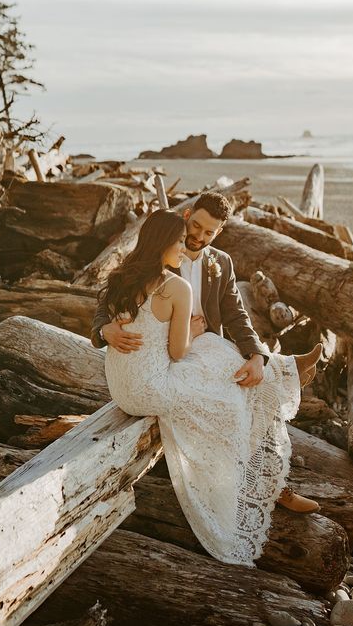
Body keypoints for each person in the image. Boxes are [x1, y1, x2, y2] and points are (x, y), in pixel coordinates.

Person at [92, 206, 322, 568]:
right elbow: (105, 312)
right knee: (230, 393)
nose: (197, 238)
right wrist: (103, 331)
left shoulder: (220, 264)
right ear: (184, 218)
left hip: (177, 353)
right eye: (193, 228)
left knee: (234, 364)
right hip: (168, 354)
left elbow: (236, 315)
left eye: (208, 232)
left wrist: (257, 355)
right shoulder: (167, 273)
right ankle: (259, 478)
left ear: (219, 233)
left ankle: (279, 377)